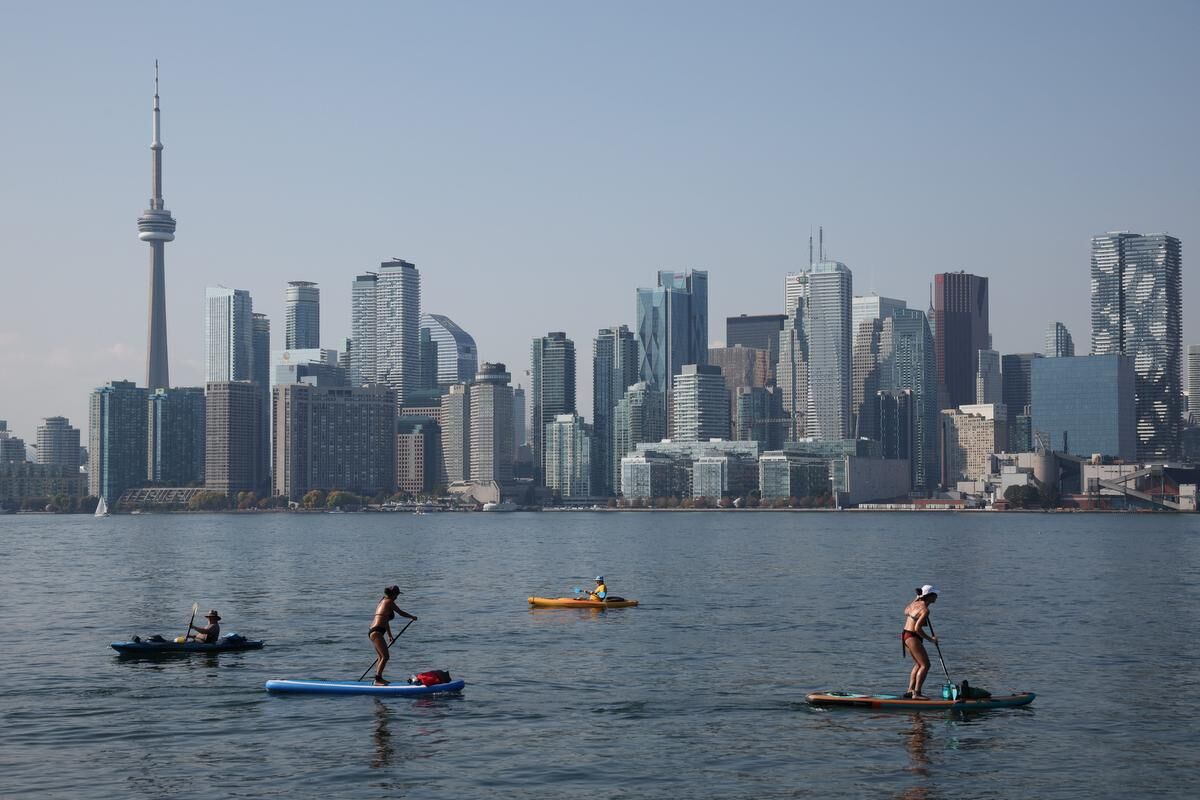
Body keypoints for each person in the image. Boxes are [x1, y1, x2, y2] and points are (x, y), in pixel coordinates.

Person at [368, 585, 417, 685]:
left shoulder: (382, 601)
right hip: (376, 632)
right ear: (393, 594)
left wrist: (390, 636)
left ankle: (377, 679)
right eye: (397, 595)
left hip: (374, 631)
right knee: (385, 657)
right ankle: (378, 679)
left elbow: (385, 621)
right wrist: (412, 617)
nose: (397, 597)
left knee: (380, 656)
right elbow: (401, 612)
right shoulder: (389, 602)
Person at [901, 585, 939, 700]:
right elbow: (917, 628)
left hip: (905, 635)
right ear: (929, 596)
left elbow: (905, 611)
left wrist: (917, 598)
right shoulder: (925, 610)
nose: (937, 596)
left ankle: (910, 691)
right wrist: (931, 640)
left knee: (918, 664)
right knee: (925, 665)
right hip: (912, 636)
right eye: (935, 594)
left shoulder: (914, 604)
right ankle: (917, 693)